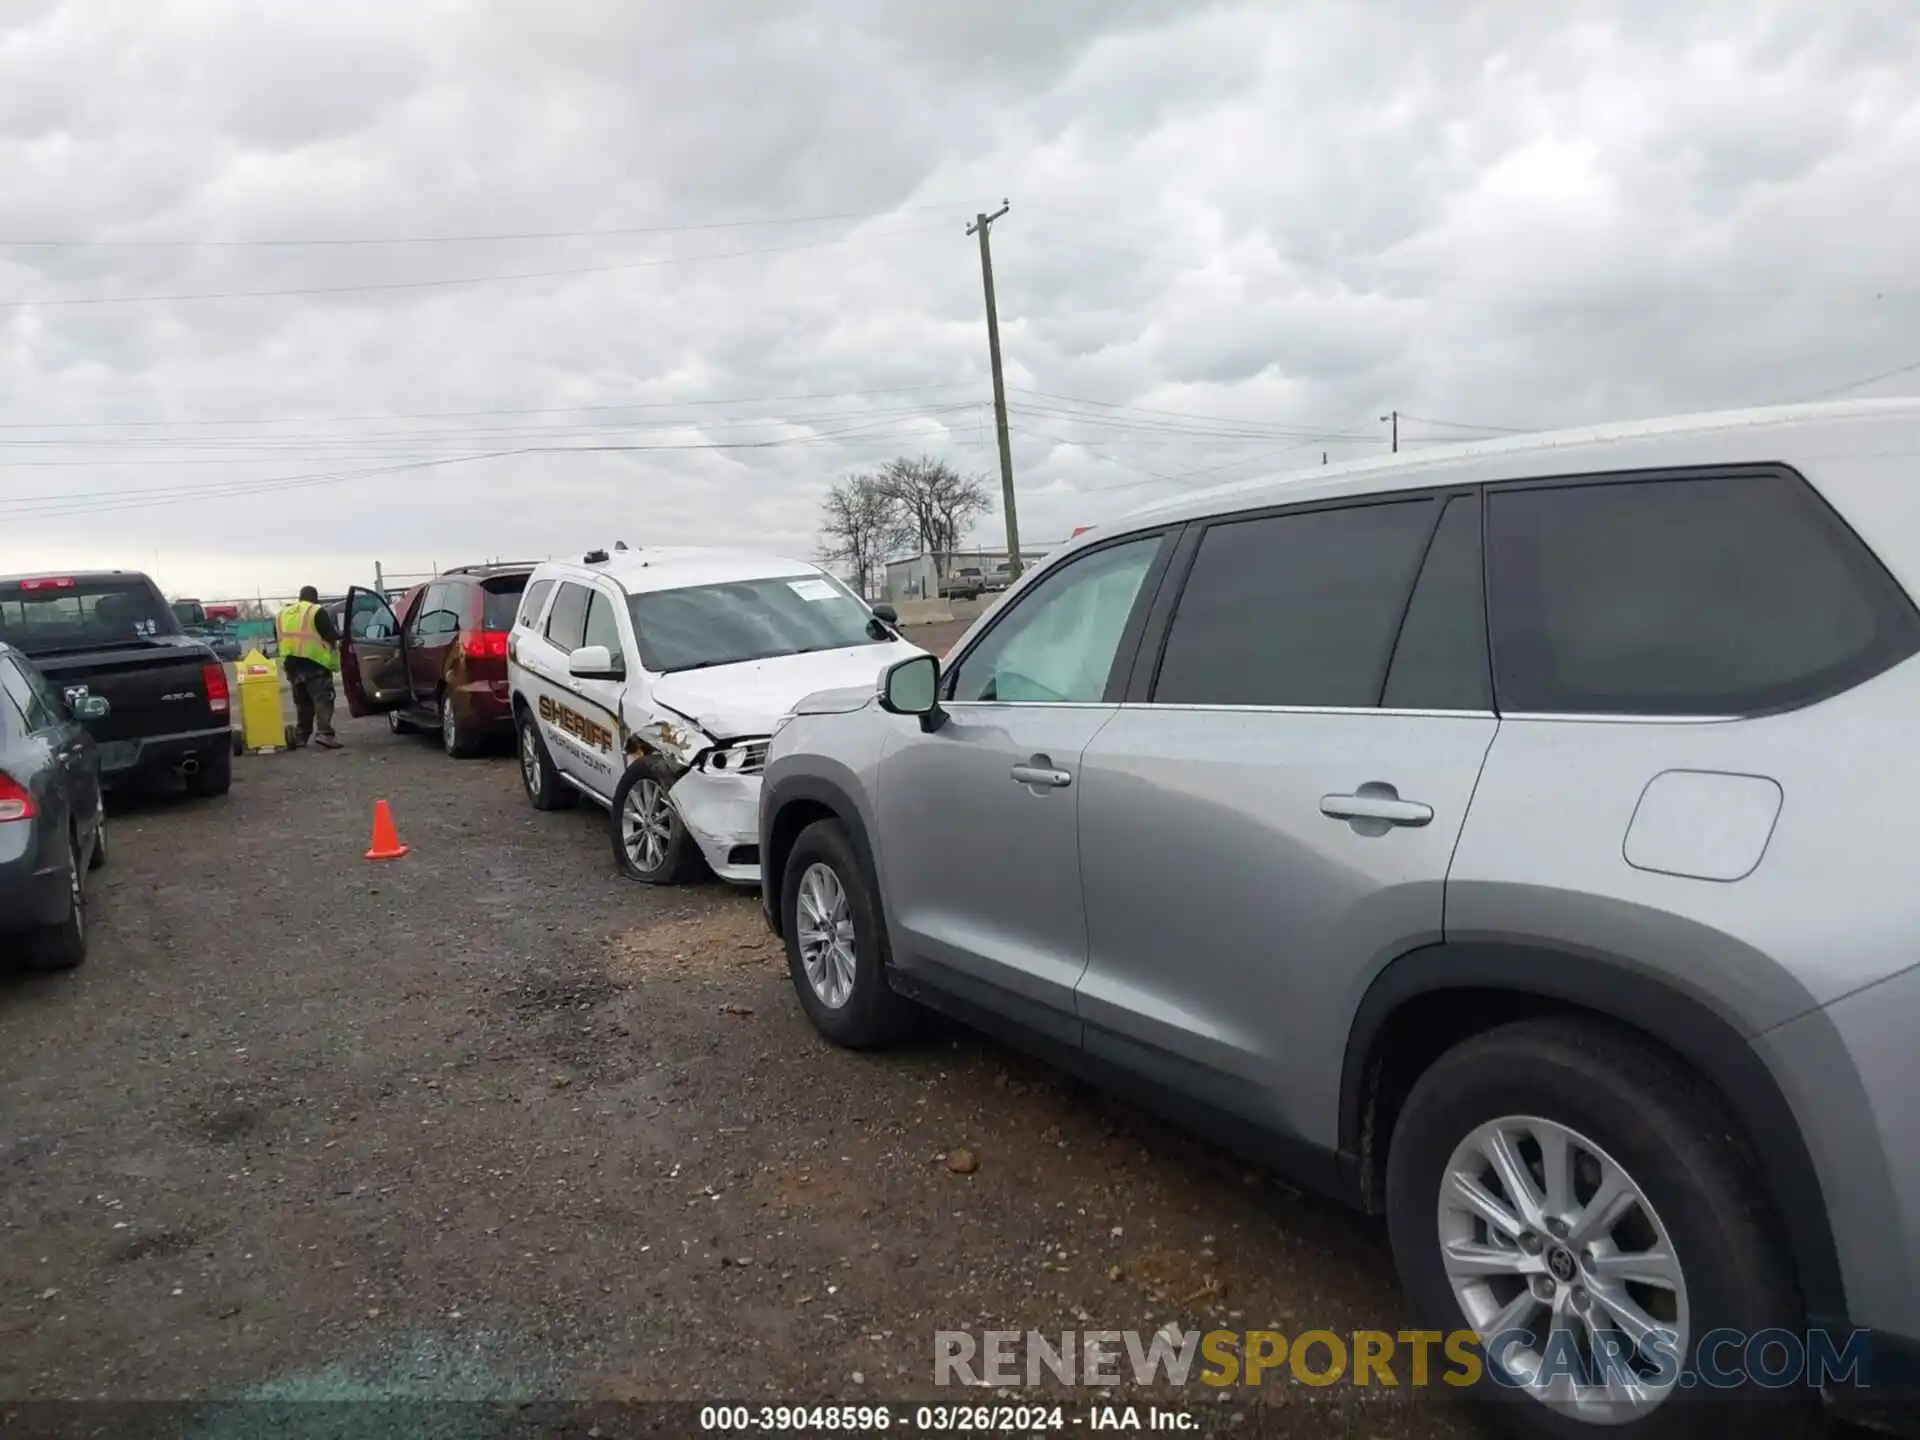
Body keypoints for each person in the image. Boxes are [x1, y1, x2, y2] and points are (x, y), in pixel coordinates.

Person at [276, 586, 343, 750]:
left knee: (303, 702)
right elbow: (329, 635)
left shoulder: (282, 614)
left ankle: (301, 736)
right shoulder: (316, 611)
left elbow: (277, 637)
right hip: (315, 663)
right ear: (315, 598)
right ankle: (324, 733)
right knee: (323, 699)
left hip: (292, 665)